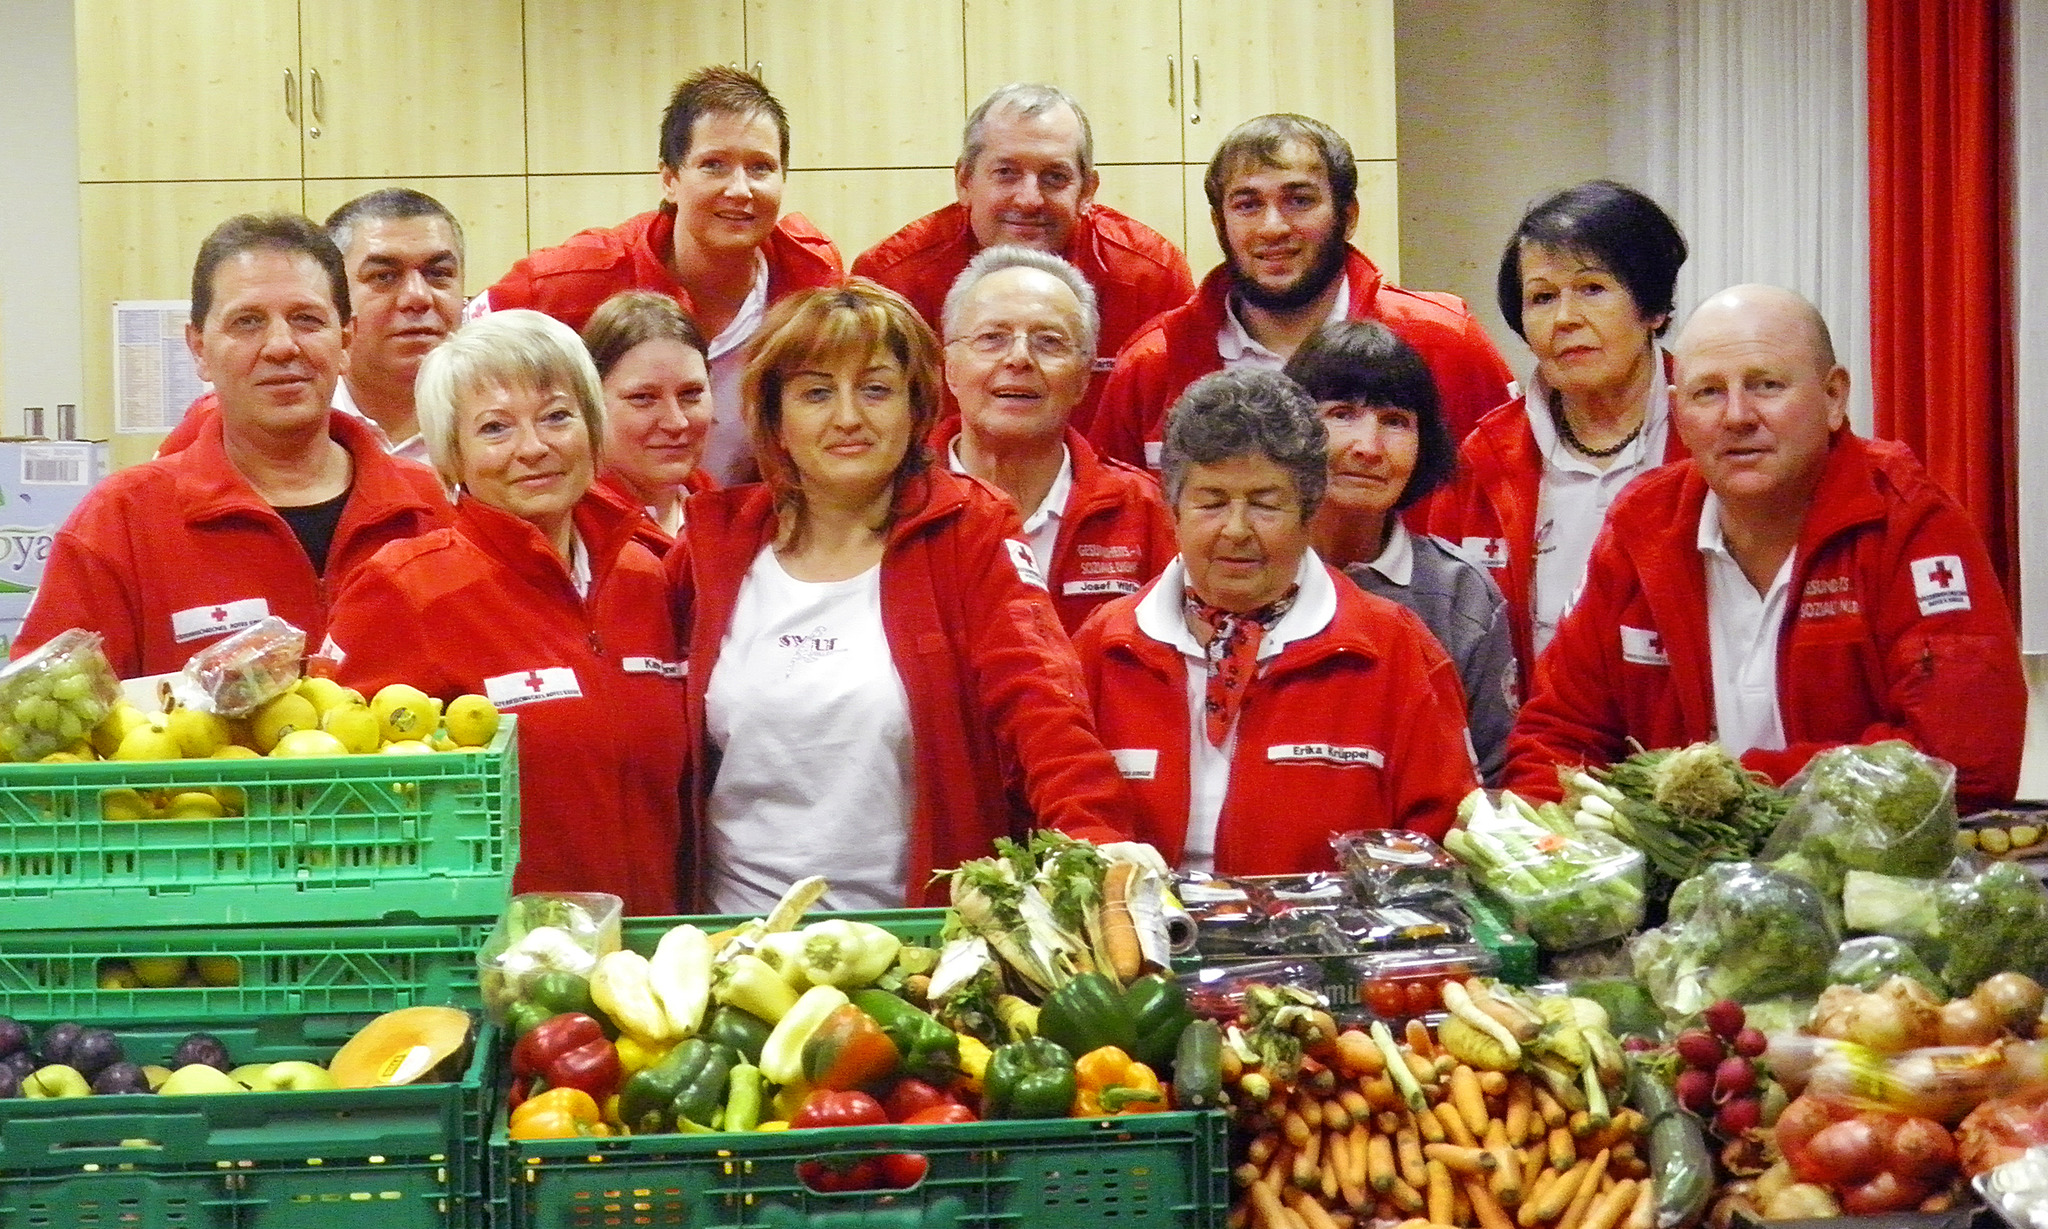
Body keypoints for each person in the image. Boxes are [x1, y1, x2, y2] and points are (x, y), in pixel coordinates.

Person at [669, 279, 1131, 914]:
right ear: (774, 420)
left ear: (917, 409)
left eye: (876, 389)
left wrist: (1095, 841)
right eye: (816, 392)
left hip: (917, 937)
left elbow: (1044, 704)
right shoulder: (715, 545)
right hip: (736, 939)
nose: (849, 417)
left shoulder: (970, 530)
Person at [1505, 285, 2027, 808]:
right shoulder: (1642, 528)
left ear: (1834, 397)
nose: (1736, 416)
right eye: (1707, 392)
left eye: (1766, 385)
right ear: (1677, 411)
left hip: (1872, 878)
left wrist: (1719, 794)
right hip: (1673, 875)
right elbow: (1556, 740)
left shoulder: (1906, 521)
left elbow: (1963, 762)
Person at [323, 310, 687, 914]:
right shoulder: (404, 591)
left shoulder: (647, 576)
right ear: (452, 458)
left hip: (650, 961)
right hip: (498, 969)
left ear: (594, 431)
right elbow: (341, 810)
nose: (534, 448)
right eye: (495, 429)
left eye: (556, 416)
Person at [1071, 368, 1478, 875]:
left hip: (1330, 947)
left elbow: (1443, 846)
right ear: (1172, 510)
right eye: (1212, 501)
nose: (1236, 530)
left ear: (1310, 515)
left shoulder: (1395, 650)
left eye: (1266, 504)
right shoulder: (1104, 647)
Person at [16, 213, 450, 676]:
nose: (282, 346)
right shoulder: (121, 523)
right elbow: (49, 721)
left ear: (345, 340)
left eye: (307, 319)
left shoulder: (432, 512)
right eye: (247, 322)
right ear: (199, 349)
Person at [474, 66, 843, 487]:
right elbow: (454, 369)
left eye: (760, 168)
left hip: (753, 527)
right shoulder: (573, 280)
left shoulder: (812, 277)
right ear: (670, 179)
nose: (740, 190)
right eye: (714, 165)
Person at [1088, 114, 1511, 472]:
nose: (1273, 227)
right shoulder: (1152, 363)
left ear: (1347, 217)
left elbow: (1502, 500)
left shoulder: (1442, 343)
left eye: (1299, 200)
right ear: (1221, 226)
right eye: (1248, 205)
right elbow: (1118, 528)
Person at [1427, 181, 1692, 680]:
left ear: (1653, 309)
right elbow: (1446, 638)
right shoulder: (1483, 459)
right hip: (1530, 747)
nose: (1566, 318)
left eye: (1593, 289)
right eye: (1543, 297)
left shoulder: (1714, 433)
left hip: (1688, 750)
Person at [853, 83, 1193, 431]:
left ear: (1087, 190)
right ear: (965, 181)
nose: (1029, 199)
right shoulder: (892, 281)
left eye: (1055, 177)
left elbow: (1177, 429)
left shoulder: (1151, 278)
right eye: (1006, 173)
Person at [1284, 320, 1517, 783]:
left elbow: (1496, 777)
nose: (1368, 447)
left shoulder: (1462, 593)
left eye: (1395, 422)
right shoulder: (1244, 572)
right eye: (1342, 413)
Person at [937, 246, 1175, 634]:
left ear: (1083, 378)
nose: (1019, 359)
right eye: (992, 338)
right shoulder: (894, 504)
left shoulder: (1147, 512)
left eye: (1048, 342)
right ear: (949, 368)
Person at [159, 188, 467, 463]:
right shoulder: (216, 430)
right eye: (384, 276)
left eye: (438, 273)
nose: (418, 297)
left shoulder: (506, 421)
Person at [581, 291, 716, 552]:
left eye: (691, 394)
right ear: (589, 402)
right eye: (643, 398)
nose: (676, 422)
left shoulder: (733, 522)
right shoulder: (571, 537)